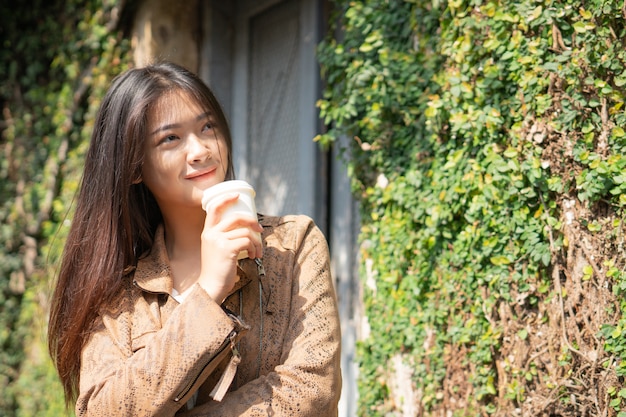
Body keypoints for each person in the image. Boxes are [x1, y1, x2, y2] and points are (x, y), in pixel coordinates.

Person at [48, 61, 342, 416]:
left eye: (207, 127)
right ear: (135, 166)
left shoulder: (293, 243)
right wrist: (207, 295)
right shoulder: (118, 294)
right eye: (171, 138)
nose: (201, 150)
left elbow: (313, 391)